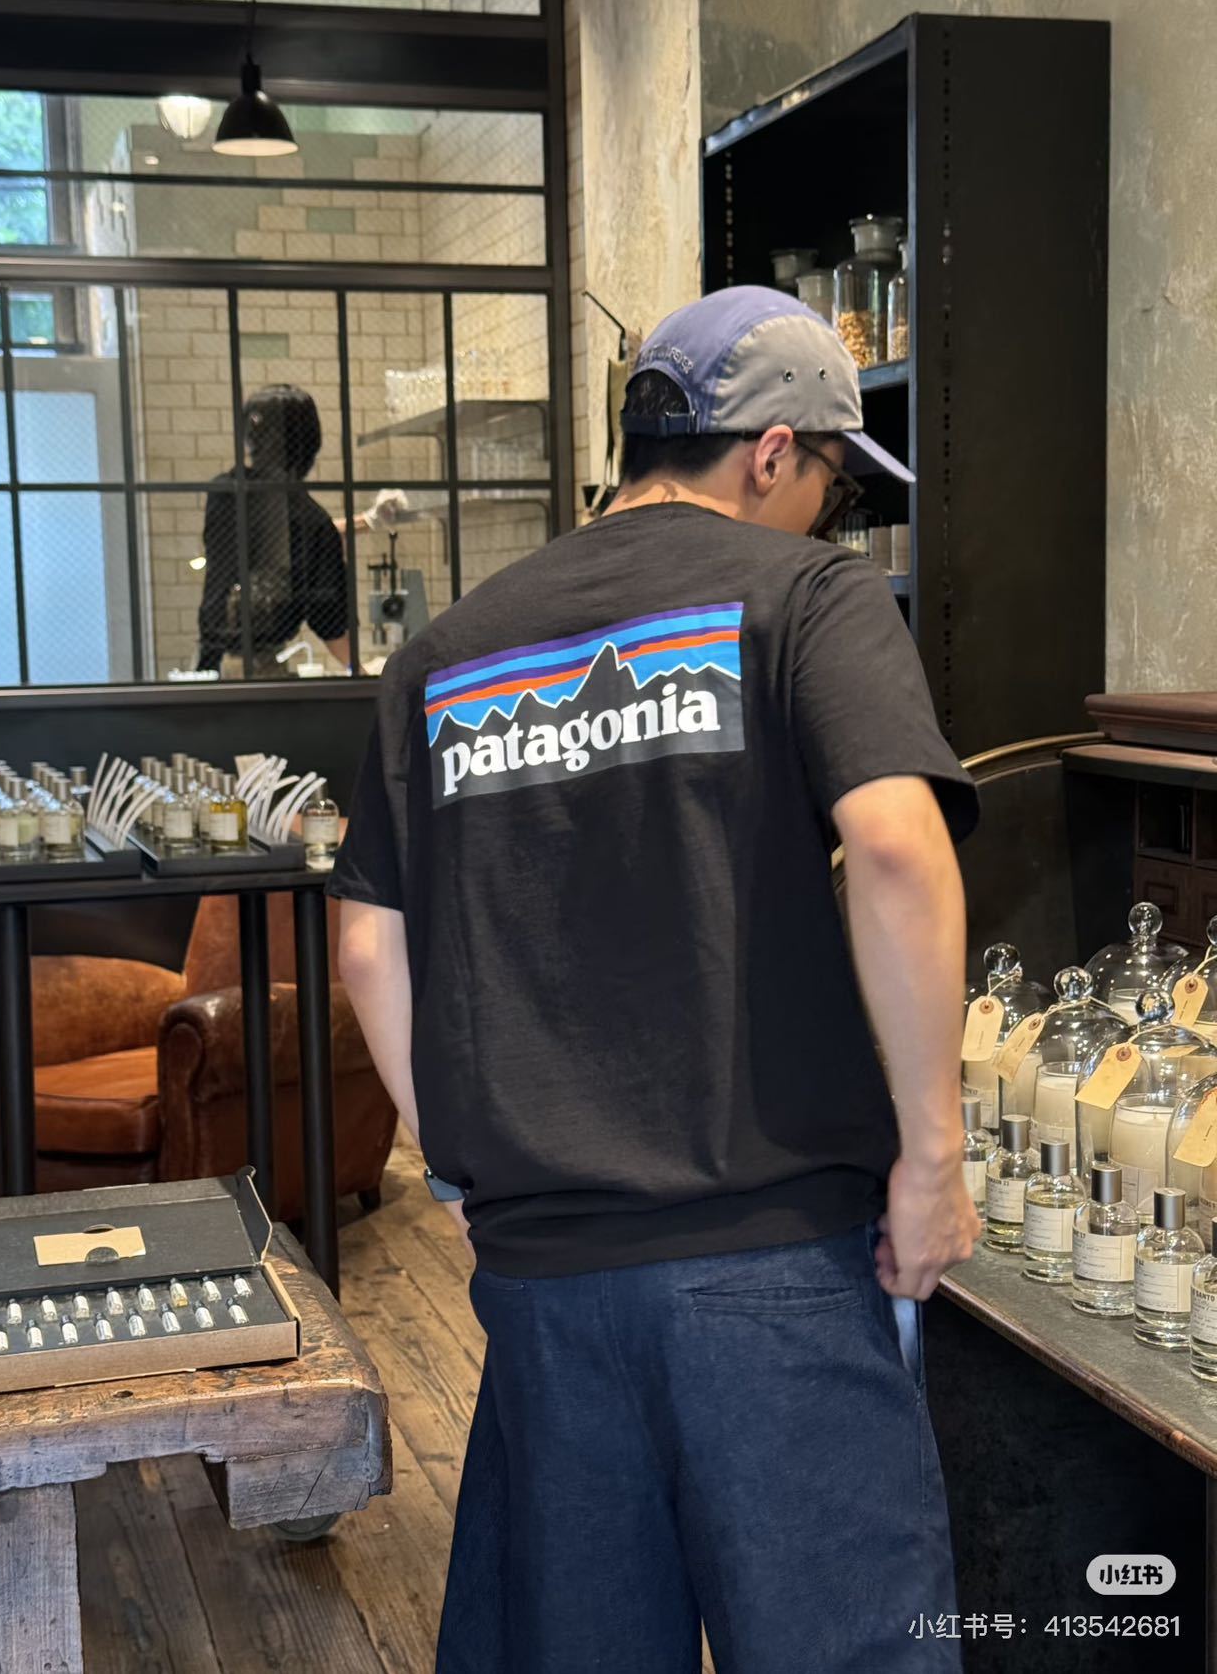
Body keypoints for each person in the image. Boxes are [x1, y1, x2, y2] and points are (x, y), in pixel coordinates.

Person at [331, 286, 981, 1673]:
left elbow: (368, 943)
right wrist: (933, 1158)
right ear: (771, 450)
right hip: (774, 1260)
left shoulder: (447, 652)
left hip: (544, 1283)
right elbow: (895, 847)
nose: (824, 517)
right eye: (829, 483)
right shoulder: (807, 598)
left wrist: (456, 1165)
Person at [195, 384, 349, 676]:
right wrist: (359, 670)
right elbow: (327, 619)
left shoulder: (224, 492)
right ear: (309, 442)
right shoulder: (311, 520)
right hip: (259, 668)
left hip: (210, 663)